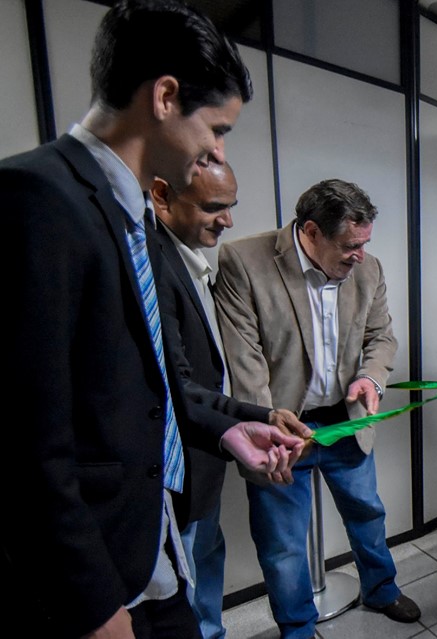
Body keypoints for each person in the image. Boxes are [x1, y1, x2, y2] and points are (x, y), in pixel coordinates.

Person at [1, 2, 303, 638]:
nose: (215, 150)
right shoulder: (35, 199)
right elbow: (25, 444)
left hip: (154, 544)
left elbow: (153, 385)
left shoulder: (135, 217)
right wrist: (92, 607)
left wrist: (231, 431)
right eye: (216, 129)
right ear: (165, 97)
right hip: (94, 582)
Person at [215, 178, 420, 638]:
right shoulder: (244, 262)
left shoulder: (369, 270)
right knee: (284, 541)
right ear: (310, 231)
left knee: (368, 512)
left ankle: (382, 590)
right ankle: (298, 629)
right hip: (279, 426)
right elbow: (244, 361)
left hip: (345, 421)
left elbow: (381, 337)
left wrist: (370, 377)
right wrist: (268, 426)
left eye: (365, 244)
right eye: (350, 245)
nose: (359, 256)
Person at [153, 160, 301, 639]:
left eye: (231, 206)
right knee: (187, 581)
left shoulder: (189, 259)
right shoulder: (153, 264)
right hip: (181, 462)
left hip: (208, 453)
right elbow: (174, 385)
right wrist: (246, 421)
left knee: (204, 563)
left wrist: (261, 415)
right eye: (214, 207)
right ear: (161, 195)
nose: (229, 221)